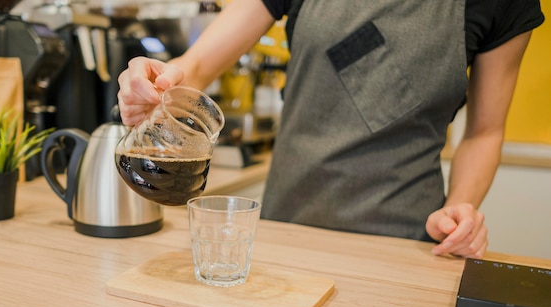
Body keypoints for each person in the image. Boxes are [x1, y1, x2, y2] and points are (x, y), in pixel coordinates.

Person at [117, 0, 545, 259]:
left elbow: (485, 132)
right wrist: (157, 79)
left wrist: (461, 208)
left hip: (407, 243)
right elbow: (194, 68)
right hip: (287, 230)